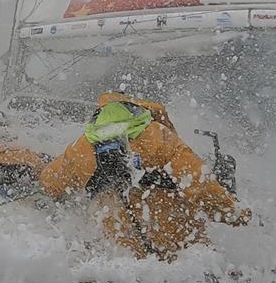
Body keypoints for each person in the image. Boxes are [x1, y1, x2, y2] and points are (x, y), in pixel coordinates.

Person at [40, 93, 251, 261]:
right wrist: (237, 214)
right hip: (177, 251)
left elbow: (51, 183)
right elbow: (200, 186)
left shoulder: (83, 147)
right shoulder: (160, 137)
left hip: (119, 252)